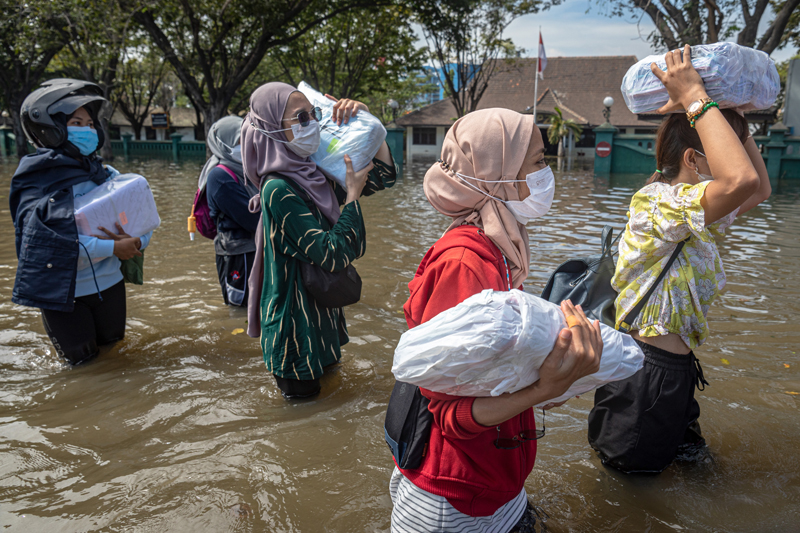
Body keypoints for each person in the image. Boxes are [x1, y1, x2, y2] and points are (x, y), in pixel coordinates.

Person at [389, 108, 603, 533]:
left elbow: (492, 370)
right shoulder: (466, 264)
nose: (548, 172)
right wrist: (545, 387)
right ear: (495, 173)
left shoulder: (497, 250)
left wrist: (552, 381)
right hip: (453, 501)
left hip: (493, 483)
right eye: (539, 161)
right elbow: (451, 414)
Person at [587, 46, 771, 474]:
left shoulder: (694, 209)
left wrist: (734, 118)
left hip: (675, 370)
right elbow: (742, 180)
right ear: (693, 159)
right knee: (629, 482)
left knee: (691, 474)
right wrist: (694, 97)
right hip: (647, 375)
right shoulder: (660, 205)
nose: (738, 154)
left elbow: (757, 189)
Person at [242, 82, 396, 399]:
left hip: (322, 318)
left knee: (331, 416)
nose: (312, 124)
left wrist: (368, 122)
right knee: (301, 421)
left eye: (314, 114)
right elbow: (331, 254)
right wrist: (351, 197)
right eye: (301, 118)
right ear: (271, 128)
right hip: (295, 332)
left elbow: (382, 176)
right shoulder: (278, 189)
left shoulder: (313, 172)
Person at [10, 79, 153, 365]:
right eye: (77, 122)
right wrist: (112, 249)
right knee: (83, 370)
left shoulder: (107, 174)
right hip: (64, 296)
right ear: (51, 128)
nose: (87, 130)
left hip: (111, 286)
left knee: (116, 358)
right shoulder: (36, 183)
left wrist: (136, 242)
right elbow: (42, 246)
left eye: (90, 123)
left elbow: (143, 223)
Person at [201, 115, 260, 307]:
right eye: (240, 139)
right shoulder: (220, 176)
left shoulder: (251, 170)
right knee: (242, 310)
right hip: (240, 255)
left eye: (248, 136)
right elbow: (254, 219)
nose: (247, 143)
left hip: (256, 249)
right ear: (224, 144)